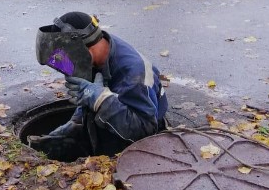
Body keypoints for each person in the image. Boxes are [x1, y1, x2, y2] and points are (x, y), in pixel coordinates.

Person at [31, 11, 169, 161]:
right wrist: (76, 122)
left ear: (82, 51)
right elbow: (90, 92)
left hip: (139, 146)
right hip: (115, 120)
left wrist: (102, 100)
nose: (66, 64)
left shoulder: (134, 72)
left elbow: (145, 132)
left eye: (66, 58)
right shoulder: (99, 50)